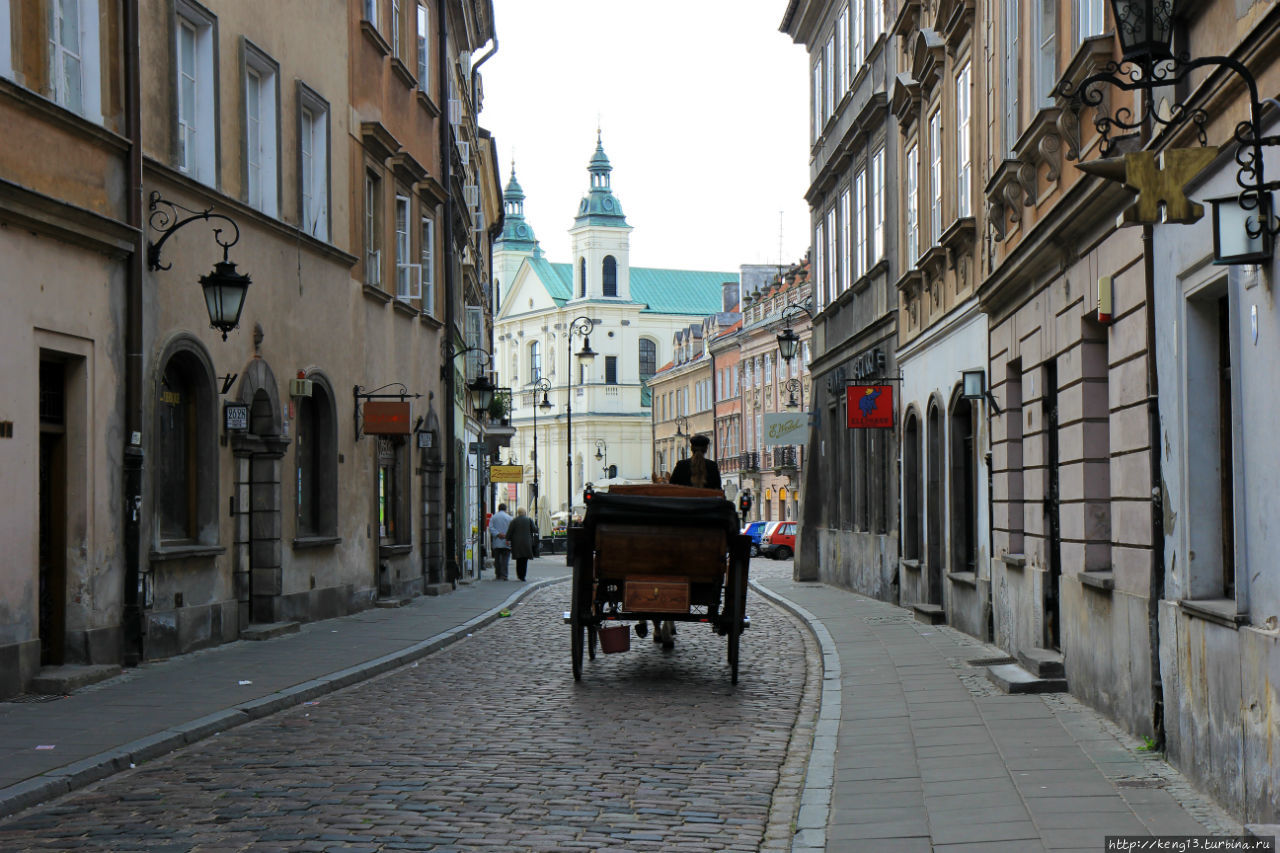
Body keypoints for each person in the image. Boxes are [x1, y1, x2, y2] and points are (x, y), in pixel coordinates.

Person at [506, 506, 538, 582]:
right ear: (525, 512)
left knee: (519, 559)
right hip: (526, 542)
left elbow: (510, 531)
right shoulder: (529, 520)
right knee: (524, 560)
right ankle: (523, 576)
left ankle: (519, 575)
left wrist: (507, 539)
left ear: (518, 513)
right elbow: (534, 529)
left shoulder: (514, 521)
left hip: (516, 543)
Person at [489, 503, 513, 580]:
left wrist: (498, 534)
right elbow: (511, 529)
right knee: (505, 560)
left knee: (497, 559)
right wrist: (507, 536)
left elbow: (490, 528)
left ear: (498, 508)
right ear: (505, 509)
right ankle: (504, 575)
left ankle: (498, 574)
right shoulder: (509, 518)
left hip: (497, 541)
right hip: (506, 541)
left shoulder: (494, 517)